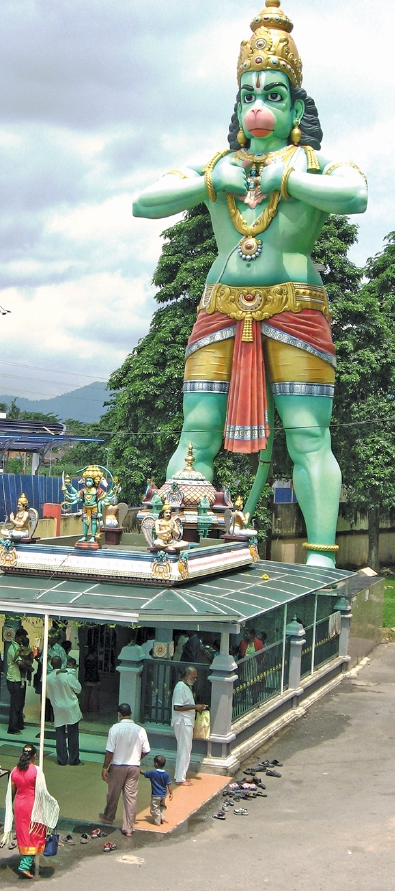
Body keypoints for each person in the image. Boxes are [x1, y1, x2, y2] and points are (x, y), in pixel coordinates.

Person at [133, 0, 367, 568]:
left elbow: (356, 195)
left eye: (274, 95)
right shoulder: (218, 167)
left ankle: (319, 556)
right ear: (238, 107)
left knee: (309, 434)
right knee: (197, 431)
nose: (260, 108)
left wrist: (290, 177)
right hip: (220, 306)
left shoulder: (313, 165)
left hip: (295, 306)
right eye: (250, 95)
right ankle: (179, 543)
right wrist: (211, 179)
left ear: (295, 109)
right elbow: (144, 202)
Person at [1, 744, 59, 880]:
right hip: (32, 806)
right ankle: (24, 865)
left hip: (19, 806)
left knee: (23, 834)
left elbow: (12, 792)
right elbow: (43, 793)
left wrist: (12, 808)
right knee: (34, 835)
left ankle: (26, 861)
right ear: (35, 756)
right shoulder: (36, 771)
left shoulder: (14, 771)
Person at [99, 702, 151, 837]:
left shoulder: (115, 729)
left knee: (113, 794)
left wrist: (105, 767)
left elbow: (110, 751)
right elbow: (147, 750)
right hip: (134, 767)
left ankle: (108, 817)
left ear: (119, 715)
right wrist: (137, 759)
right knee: (131, 797)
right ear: (131, 714)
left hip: (117, 766)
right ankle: (128, 827)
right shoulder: (140, 730)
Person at [171, 667, 208, 785]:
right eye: (193, 677)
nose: (195, 679)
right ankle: (180, 778)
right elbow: (177, 707)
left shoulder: (184, 687)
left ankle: (179, 775)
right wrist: (195, 707)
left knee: (183, 749)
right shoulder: (180, 687)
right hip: (183, 722)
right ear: (186, 676)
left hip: (186, 721)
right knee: (185, 749)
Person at [46, 655, 83, 766]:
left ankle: (62, 760)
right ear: (61, 663)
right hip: (71, 706)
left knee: (60, 734)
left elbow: (47, 695)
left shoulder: (48, 678)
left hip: (58, 707)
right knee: (73, 733)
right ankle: (74, 760)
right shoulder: (68, 676)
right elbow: (78, 689)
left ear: (51, 665)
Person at [7, 628, 30, 735]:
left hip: (19, 679)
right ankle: (13, 727)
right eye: (22, 638)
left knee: (20, 703)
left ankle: (20, 724)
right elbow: (19, 663)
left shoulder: (20, 647)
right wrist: (29, 667)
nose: (23, 640)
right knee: (15, 704)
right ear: (17, 637)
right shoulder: (13, 648)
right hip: (14, 679)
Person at [141, 754, 173, 826]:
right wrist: (171, 793)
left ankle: (157, 820)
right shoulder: (166, 774)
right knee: (162, 806)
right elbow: (169, 784)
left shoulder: (153, 773)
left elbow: (144, 773)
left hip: (155, 795)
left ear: (156, 764)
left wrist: (138, 769)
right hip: (163, 795)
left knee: (154, 808)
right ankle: (162, 817)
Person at [82, 645, 100, 714]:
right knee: (95, 695)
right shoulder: (95, 658)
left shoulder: (86, 658)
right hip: (95, 678)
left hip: (87, 677)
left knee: (87, 694)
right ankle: (95, 709)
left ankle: (85, 709)